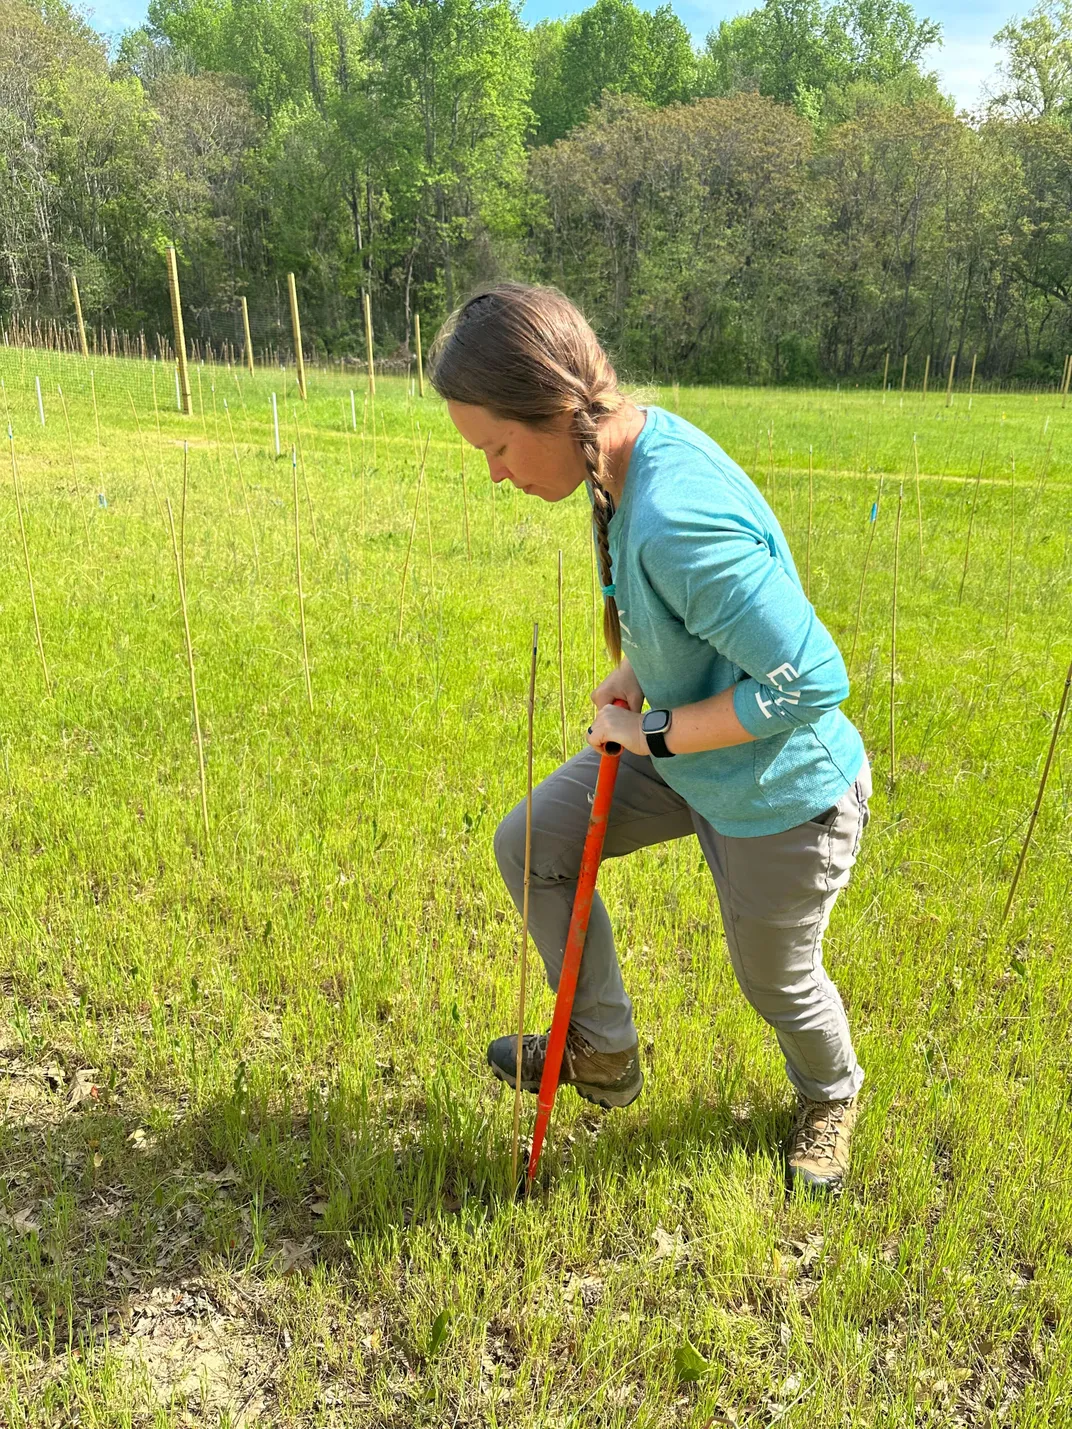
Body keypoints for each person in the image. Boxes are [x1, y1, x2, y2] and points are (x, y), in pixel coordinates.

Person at [427, 282, 873, 1197]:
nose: (495, 474)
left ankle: (833, 1093)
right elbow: (681, 614)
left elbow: (814, 680)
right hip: (689, 755)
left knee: (776, 983)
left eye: (498, 447)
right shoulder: (619, 457)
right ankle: (604, 1049)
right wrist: (644, 671)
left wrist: (655, 729)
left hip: (781, 794)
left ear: (554, 408)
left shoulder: (677, 518)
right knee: (532, 843)